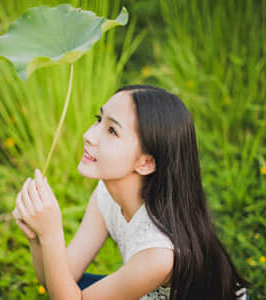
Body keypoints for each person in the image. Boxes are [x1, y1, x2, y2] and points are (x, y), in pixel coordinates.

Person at [13, 85, 251, 299]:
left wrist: (52, 235)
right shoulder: (106, 194)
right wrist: (37, 236)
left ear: (146, 162)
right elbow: (57, 278)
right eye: (99, 119)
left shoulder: (160, 253)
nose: (88, 135)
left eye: (112, 131)